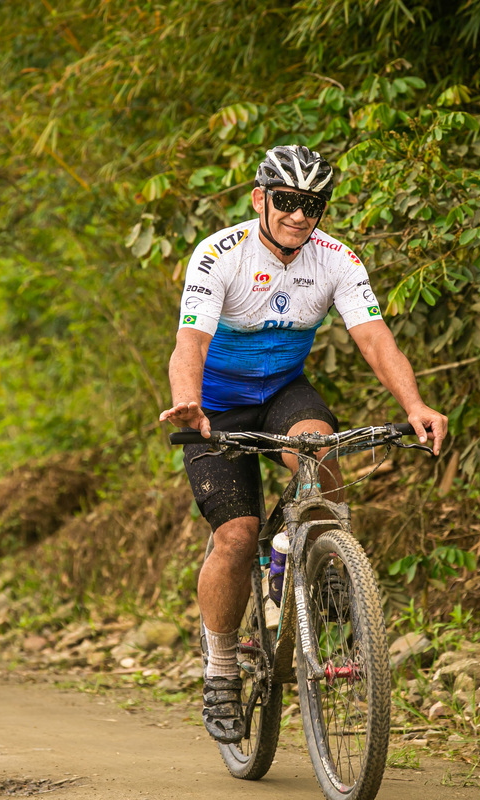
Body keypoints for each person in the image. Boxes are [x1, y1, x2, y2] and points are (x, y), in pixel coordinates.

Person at [157, 144, 447, 744]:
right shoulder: (219, 255)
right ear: (259, 199)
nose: (298, 215)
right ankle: (220, 670)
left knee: (319, 452)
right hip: (216, 406)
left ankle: (322, 563)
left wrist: (414, 406)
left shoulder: (336, 259)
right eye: (286, 201)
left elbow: (375, 339)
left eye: (311, 205)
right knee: (237, 536)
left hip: (284, 392)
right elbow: (191, 343)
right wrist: (188, 401)